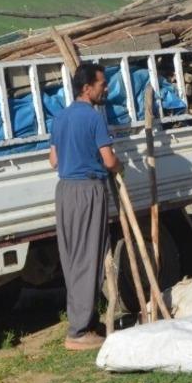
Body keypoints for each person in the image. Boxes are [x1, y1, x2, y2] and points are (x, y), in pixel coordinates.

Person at [49, 62, 122, 351]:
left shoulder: (60, 117)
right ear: (86, 88)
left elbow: (53, 161)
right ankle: (79, 331)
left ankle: (83, 322)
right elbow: (108, 161)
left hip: (65, 190)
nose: (106, 88)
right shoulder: (93, 118)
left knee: (73, 258)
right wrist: (121, 165)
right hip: (87, 190)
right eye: (102, 84)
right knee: (89, 256)